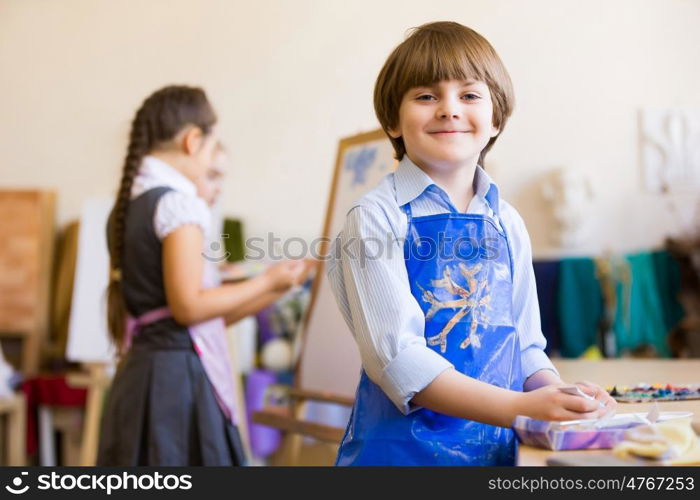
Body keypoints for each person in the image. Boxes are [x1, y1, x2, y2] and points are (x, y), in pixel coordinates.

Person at [327, 21, 617, 466]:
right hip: (399, 457)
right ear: (392, 119)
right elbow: (400, 365)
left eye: (469, 95)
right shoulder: (374, 217)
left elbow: (525, 346)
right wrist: (521, 408)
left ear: (496, 116)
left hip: (495, 451)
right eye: (426, 96)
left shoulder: (507, 219)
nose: (448, 109)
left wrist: (557, 394)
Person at [98, 85, 311, 465]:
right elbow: (189, 308)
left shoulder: (126, 208)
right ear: (192, 141)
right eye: (213, 150)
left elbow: (194, 317)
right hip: (177, 387)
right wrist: (264, 281)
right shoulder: (179, 204)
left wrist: (276, 287)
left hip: (141, 379)